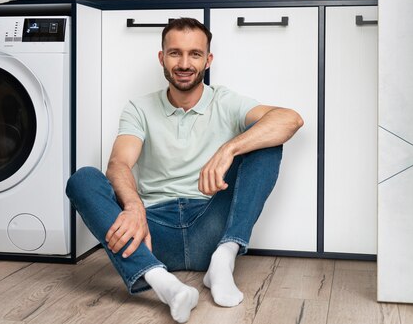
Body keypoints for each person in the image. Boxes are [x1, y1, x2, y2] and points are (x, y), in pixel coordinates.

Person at [66, 17, 303, 323]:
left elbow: (290, 119)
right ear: (162, 58)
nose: (184, 63)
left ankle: (224, 259)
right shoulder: (139, 108)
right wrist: (134, 206)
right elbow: (119, 164)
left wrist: (228, 149)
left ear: (208, 60)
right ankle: (164, 285)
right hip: (152, 235)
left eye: (195, 54)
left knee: (267, 140)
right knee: (83, 179)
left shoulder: (226, 101)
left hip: (212, 226)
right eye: (175, 53)